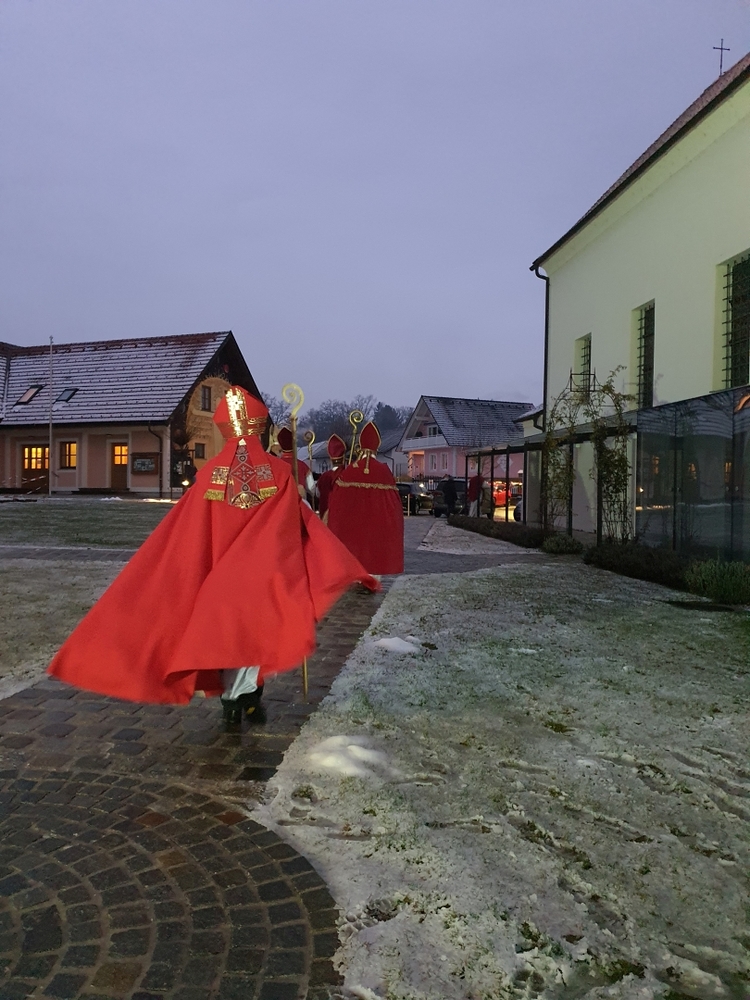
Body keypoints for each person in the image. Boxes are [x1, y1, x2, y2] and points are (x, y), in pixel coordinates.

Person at [48, 386, 379, 723]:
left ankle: (237, 697)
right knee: (257, 630)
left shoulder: (208, 476)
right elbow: (299, 521)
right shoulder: (279, 474)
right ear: (258, 427)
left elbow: (188, 530)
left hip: (218, 576)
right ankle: (243, 693)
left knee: (227, 634)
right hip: (264, 574)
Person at [326, 421, 404, 575]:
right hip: (377, 533)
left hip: (353, 534)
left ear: (360, 445)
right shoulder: (384, 471)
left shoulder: (349, 471)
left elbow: (337, 503)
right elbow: (394, 507)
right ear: (377, 446)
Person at [316, 433, 347, 520]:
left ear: (330, 459)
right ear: (343, 459)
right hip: (341, 515)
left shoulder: (323, 477)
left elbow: (317, 494)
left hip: (325, 516)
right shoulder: (347, 475)